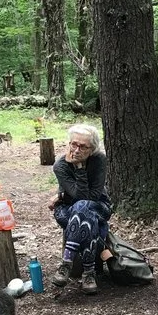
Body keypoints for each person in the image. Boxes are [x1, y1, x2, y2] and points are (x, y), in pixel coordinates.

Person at [49, 124, 111, 295]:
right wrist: (78, 168)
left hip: (98, 206)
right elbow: (78, 196)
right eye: (73, 144)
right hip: (67, 209)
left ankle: (66, 264)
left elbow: (92, 196)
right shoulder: (60, 166)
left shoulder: (99, 160)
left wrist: (80, 168)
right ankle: (89, 272)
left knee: (83, 208)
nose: (76, 150)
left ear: (92, 149)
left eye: (83, 146)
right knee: (83, 214)